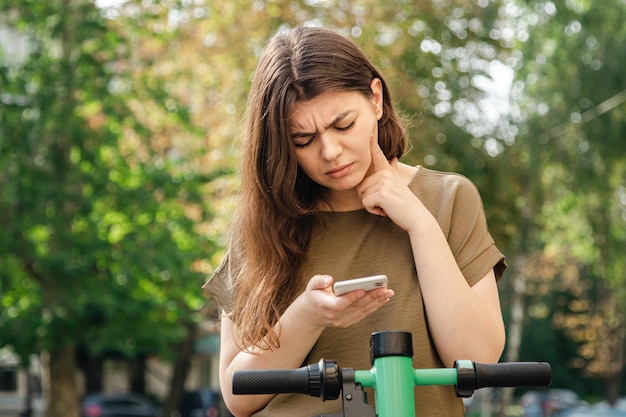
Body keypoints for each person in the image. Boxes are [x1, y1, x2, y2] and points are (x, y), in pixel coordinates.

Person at [203, 26, 507, 417]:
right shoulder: (262, 224)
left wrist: (419, 223)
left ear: (376, 99)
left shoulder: (449, 198)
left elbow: (476, 359)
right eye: (302, 140)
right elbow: (237, 395)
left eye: (342, 125)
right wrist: (308, 316)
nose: (330, 151)